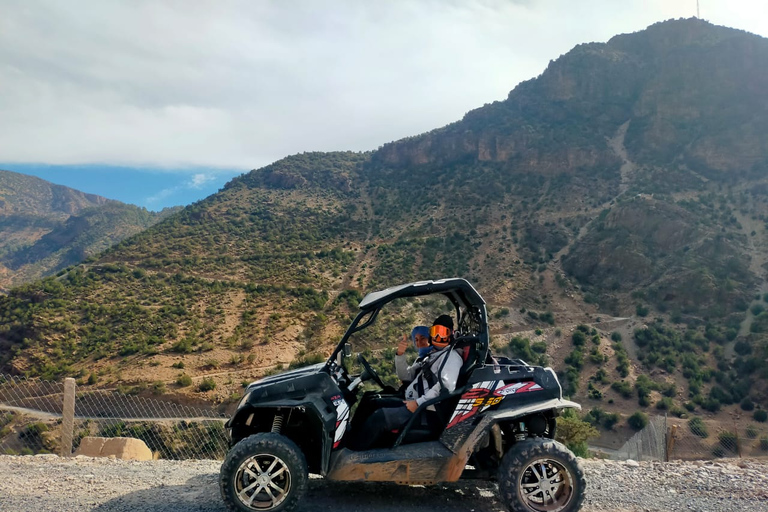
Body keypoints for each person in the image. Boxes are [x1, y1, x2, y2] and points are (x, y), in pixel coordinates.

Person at [350, 315, 463, 451]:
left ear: (450, 333)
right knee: (371, 402)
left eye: (443, 332)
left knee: (379, 418)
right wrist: (400, 354)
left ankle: (353, 454)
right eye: (435, 332)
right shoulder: (431, 355)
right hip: (414, 402)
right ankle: (349, 438)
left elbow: (446, 386)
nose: (438, 337)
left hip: (425, 411)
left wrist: (418, 403)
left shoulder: (451, 358)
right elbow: (405, 375)